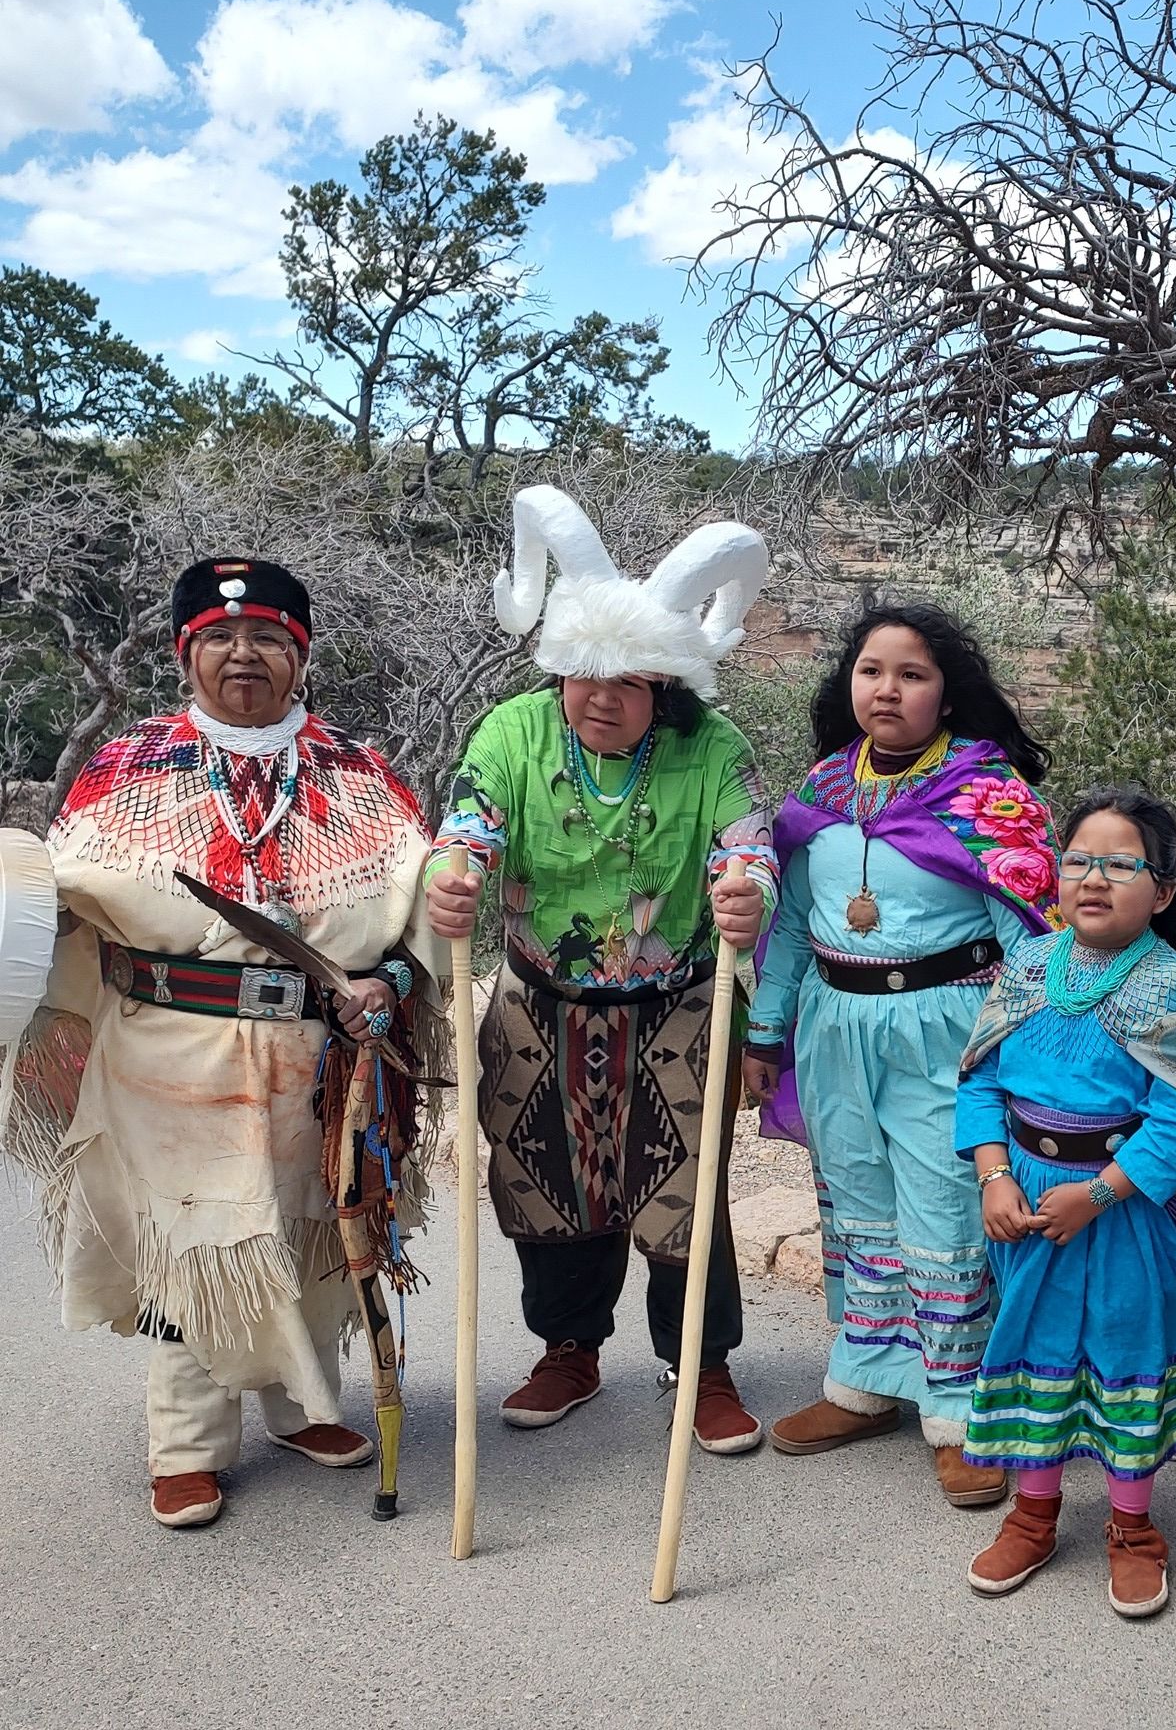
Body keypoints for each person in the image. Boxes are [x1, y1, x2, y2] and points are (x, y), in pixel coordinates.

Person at [0, 555, 442, 1529]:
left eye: (268, 639)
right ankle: (186, 1444)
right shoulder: (127, 764)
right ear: (185, 651)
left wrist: (393, 979)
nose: (245, 655)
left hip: (314, 1057)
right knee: (196, 1242)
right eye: (221, 638)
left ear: (300, 652)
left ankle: (297, 1404)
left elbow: (423, 922)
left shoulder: (359, 774)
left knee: (310, 1234)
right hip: (165, 1054)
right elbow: (62, 905)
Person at [426, 488, 775, 1455]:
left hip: (676, 1008)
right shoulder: (512, 732)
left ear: (665, 681)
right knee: (546, 1180)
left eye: (628, 679)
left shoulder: (711, 744)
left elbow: (746, 840)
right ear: (558, 669)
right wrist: (452, 876)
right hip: (542, 1005)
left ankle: (699, 1364)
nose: (603, 697)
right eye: (584, 675)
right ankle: (569, 1348)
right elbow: (470, 821)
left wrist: (746, 886)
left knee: (682, 1193)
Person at [742, 603, 1058, 1506]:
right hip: (835, 1026)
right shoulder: (822, 794)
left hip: (946, 1028)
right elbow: (795, 926)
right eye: (872, 670)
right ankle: (869, 1381)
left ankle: (960, 1409)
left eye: (912, 674)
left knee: (945, 1205)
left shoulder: (986, 797)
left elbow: (1028, 938)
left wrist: (1019, 1055)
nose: (887, 688)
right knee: (857, 1202)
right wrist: (767, 1034)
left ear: (945, 695)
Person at [955, 786, 1176, 1618]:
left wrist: (1099, 1195)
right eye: (1079, 861)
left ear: (1166, 891)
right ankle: (1034, 1515)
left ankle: (1134, 1528)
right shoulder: (1031, 966)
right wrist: (995, 1174)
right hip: (1029, 1200)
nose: (1094, 880)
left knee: (1122, 1348)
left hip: (1124, 1208)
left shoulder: (1172, 987)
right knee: (1033, 1341)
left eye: (1121, 864)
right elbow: (980, 1081)